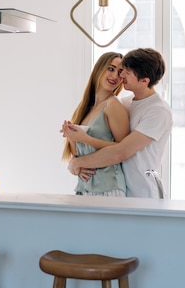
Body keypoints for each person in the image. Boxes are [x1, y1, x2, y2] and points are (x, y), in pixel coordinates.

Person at [68, 48, 173, 198]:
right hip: (117, 188)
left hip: (143, 193)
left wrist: (78, 163)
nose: (121, 75)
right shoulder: (125, 103)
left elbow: (121, 151)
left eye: (127, 72)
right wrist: (75, 159)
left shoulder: (158, 111)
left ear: (144, 81)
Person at [61, 52, 129, 196]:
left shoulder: (113, 105)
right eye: (111, 69)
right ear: (99, 68)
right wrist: (71, 137)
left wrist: (85, 139)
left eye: (120, 73)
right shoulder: (86, 107)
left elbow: (123, 150)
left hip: (108, 188)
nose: (115, 76)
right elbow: (78, 154)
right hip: (84, 188)